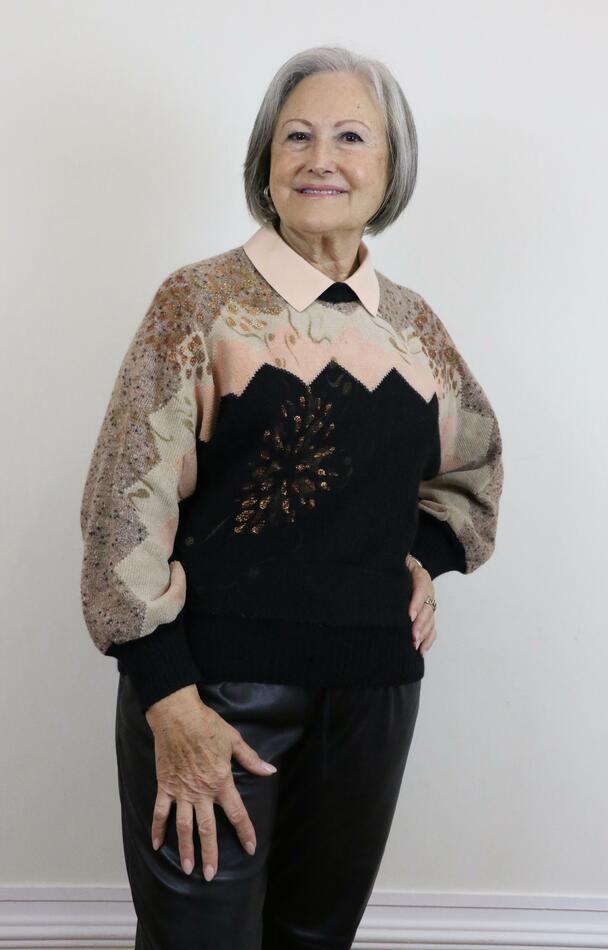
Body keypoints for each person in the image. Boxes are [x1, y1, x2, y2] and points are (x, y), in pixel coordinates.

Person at [80, 44, 504, 950]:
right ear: (265, 161)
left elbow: (474, 471)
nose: (321, 159)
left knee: (315, 941)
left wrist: (420, 556)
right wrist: (168, 697)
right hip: (215, 697)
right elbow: (122, 509)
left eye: (351, 137)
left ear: (390, 168)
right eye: (297, 135)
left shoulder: (414, 327)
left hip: (373, 696)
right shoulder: (199, 304)